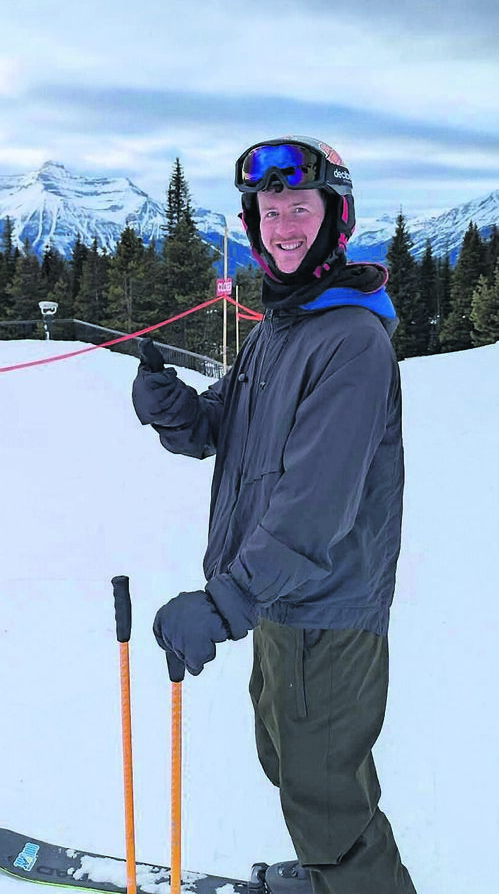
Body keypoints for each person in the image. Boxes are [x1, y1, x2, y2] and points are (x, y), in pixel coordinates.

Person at [132, 136, 417, 894]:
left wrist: (221, 603)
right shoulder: (281, 330)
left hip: (326, 605)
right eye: (269, 211)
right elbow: (226, 427)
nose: (283, 227)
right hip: (282, 597)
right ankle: (332, 876)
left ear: (335, 218)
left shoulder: (350, 341)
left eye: (299, 209)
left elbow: (313, 507)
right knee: (289, 761)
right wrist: (174, 409)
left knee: (327, 801)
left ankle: (352, 879)